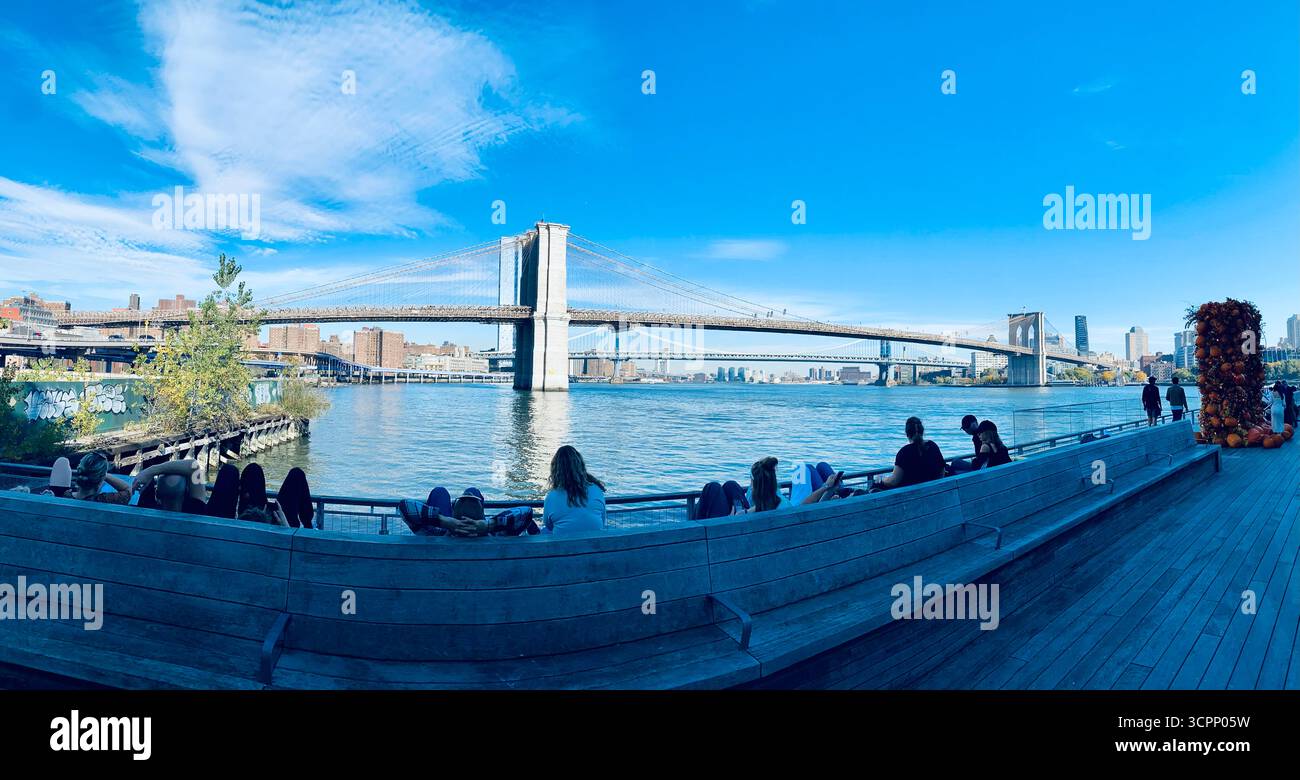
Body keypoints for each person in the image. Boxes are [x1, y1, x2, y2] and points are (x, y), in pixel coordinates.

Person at [543, 445, 607, 534]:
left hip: (563, 547)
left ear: (556, 469)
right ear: (581, 466)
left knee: (544, 531)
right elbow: (602, 521)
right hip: (595, 546)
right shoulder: (597, 490)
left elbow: (549, 525)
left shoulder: (551, 497)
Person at [745, 456, 844, 513]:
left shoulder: (752, 499)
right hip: (795, 508)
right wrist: (825, 488)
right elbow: (802, 506)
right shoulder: (781, 504)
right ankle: (842, 491)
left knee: (803, 467)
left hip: (790, 508)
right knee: (805, 467)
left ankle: (840, 490)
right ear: (773, 480)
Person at [873, 417, 946, 490]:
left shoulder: (905, 452)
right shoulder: (932, 446)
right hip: (932, 493)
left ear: (907, 434)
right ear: (922, 431)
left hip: (910, 497)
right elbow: (942, 470)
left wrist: (881, 480)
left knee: (875, 486)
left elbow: (893, 481)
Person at [130, 459, 209, 514]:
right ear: (186, 492)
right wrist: (152, 471)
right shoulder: (196, 510)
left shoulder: (146, 506)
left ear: (157, 493)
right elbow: (194, 466)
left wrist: (149, 472)